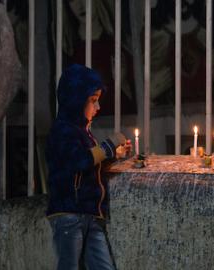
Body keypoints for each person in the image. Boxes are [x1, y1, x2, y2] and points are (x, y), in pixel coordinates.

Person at [46, 64, 131, 270]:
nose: (98, 107)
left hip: (91, 214)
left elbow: (91, 164)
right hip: (69, 215)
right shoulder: (63, 131)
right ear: (76, 101)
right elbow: (79, 161)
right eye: (93, 101)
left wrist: (114, 155)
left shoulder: (83, 132)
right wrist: (110, 145)